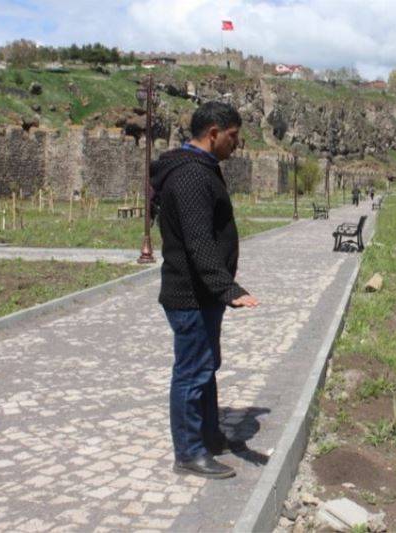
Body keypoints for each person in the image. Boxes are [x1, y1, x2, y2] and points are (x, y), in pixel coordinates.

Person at [151, 101, 259, 479]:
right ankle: (189, 452)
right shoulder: (192, 176)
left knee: (205, 368)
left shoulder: (195, 168)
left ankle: (210, 436)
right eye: (232, 136)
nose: (237, 143)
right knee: (192, 373)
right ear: (213, 134)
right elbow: (199, 242)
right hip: (192, 295)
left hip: (202, 295)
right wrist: (228, 289)